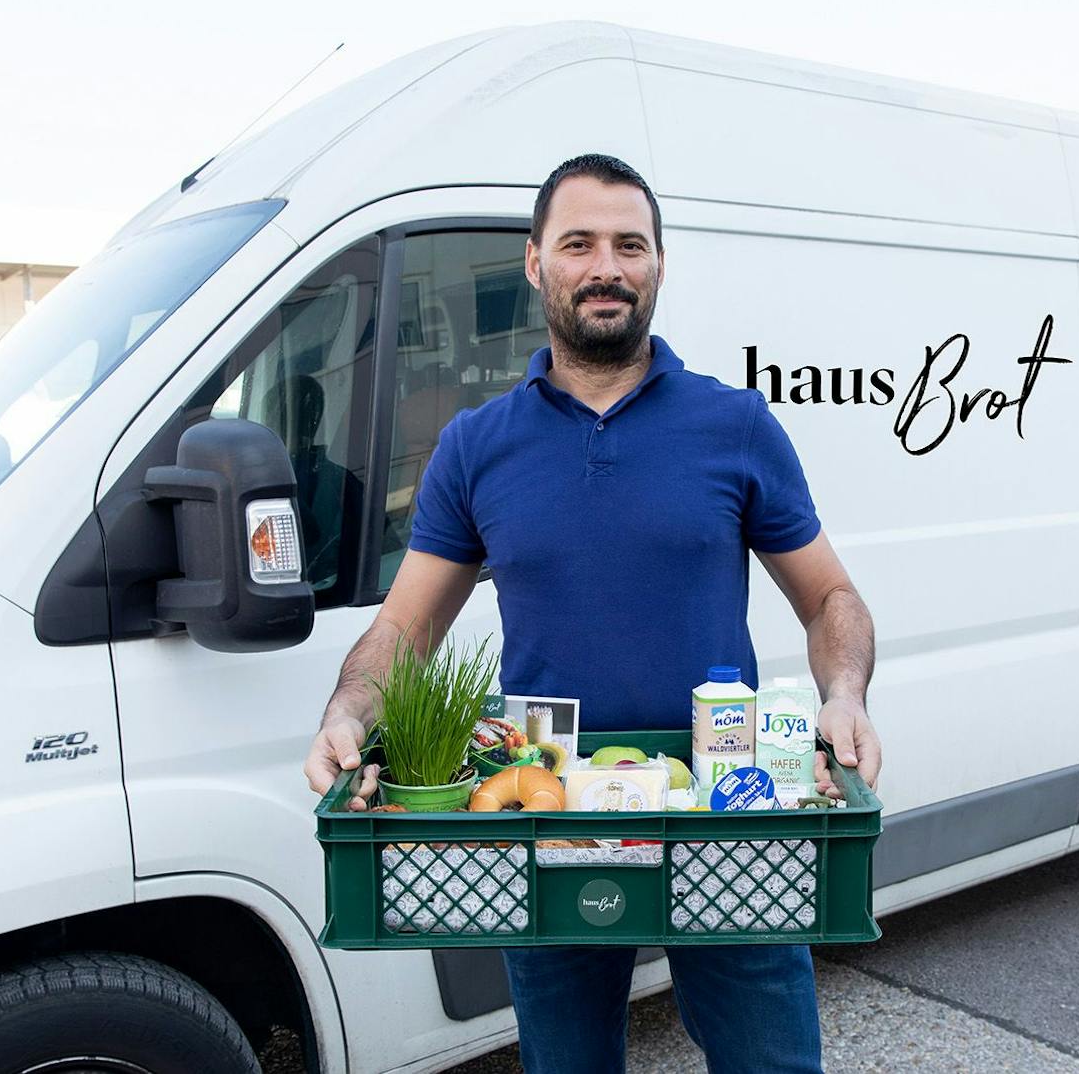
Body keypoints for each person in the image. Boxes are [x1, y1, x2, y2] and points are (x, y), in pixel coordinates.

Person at [304, 153, 881, 1074]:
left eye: (629, 245)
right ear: (537, 264)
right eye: (579, 243)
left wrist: (843, 694)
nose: (605, 266)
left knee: (772, 1060)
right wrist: (346, 714)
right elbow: (405, 631)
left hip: (722, 809)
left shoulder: (733, 425)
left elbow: (830, 599)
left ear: (658, 266)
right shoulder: (476, 446)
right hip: (546, 810)